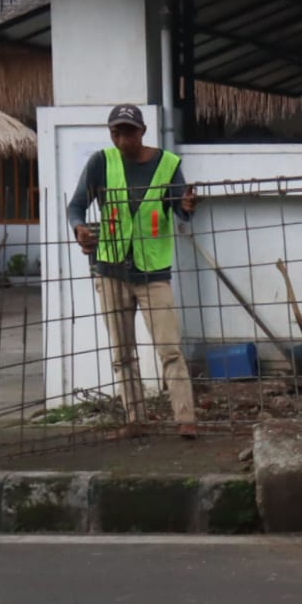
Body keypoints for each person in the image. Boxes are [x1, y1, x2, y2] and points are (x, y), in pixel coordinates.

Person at [67, 104, 199, 438]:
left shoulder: (168, 164)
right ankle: (135, 419)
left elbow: (181, 210)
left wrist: (186, 206)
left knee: (170, 348)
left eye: (129, 132)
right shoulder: (101, 162)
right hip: (110, 269)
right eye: (116, 133)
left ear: (142, 131)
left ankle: (186, 418)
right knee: (122, 352)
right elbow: (76, 205)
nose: (122, 139)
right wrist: (79, 227)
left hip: (153, 272)